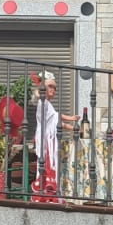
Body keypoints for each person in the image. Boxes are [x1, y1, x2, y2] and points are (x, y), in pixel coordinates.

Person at [32, 72, 78, 201]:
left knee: (50, 163)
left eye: (54, 88)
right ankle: (47, 192)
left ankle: (50, 191)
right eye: (50, 86)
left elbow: (56, 121)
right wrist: (71, 118)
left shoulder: (48, 104)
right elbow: (57, 116)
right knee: (47, 162)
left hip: (50, 139)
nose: (53, 90)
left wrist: (72, 127)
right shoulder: (43, 102)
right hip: (46, 140)